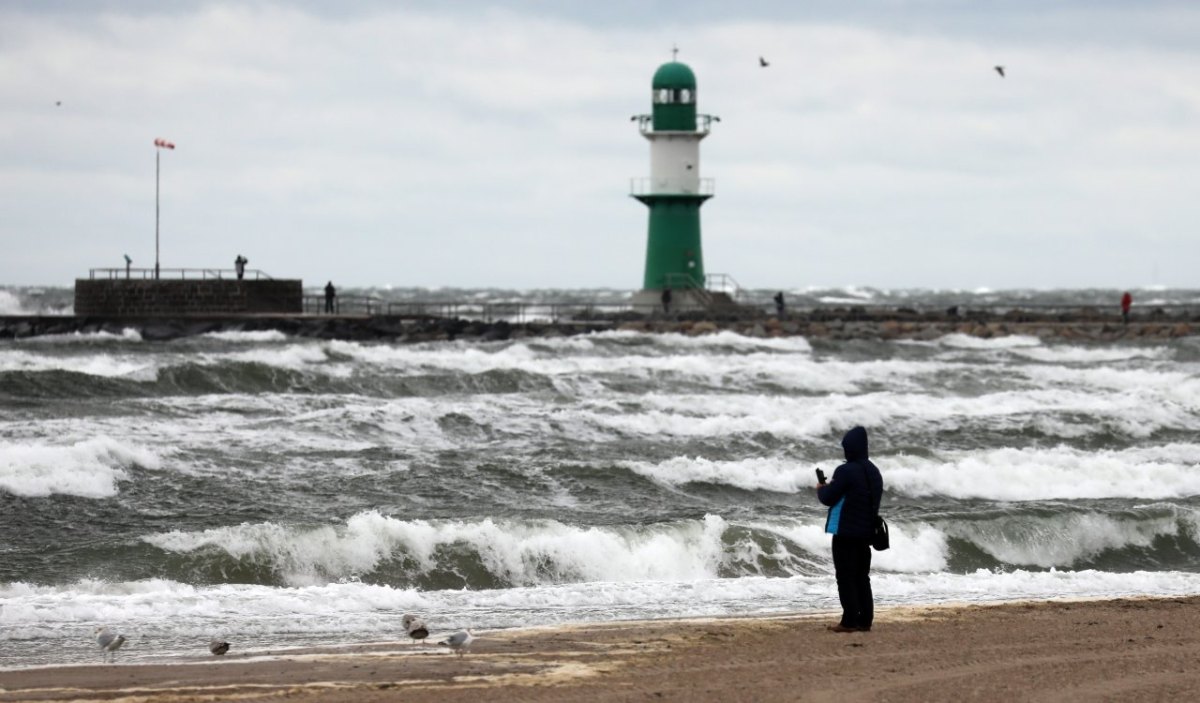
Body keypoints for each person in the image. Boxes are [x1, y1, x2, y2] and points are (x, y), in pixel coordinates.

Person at [816, 426, 884, 633]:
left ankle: (849, 621)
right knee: (862, 576)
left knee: (845, 576)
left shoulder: (845, 471)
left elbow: (828, 498)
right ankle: (865, 620)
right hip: (866, 532)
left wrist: (821, 488)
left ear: (849, 449)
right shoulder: (873, 471)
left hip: (845, 532)